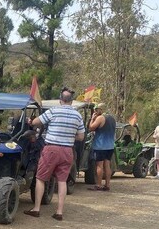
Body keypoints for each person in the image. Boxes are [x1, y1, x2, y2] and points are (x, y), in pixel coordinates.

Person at [24, 88, 86, 220]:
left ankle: (36, 209)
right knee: (62, 181)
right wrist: (69, 137)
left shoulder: (54, 110)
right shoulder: (77, 115)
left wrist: (30, 121)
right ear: (71, 101)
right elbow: (81, 136)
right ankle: (59, 212)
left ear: (60, 100)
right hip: (68, 151)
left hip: (51, 148)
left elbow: (36, 122)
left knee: (40, 178)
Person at [87, 103, 115, 191]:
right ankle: (107, 185)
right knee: (107, 165)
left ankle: (98, 184)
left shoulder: (100, 118)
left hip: (100, 146)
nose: (95, 111)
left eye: (97, 109)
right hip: (110, 146)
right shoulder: (112, 119)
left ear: (101, 110)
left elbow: (91, 128)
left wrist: (92, 119)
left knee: (99, 166)